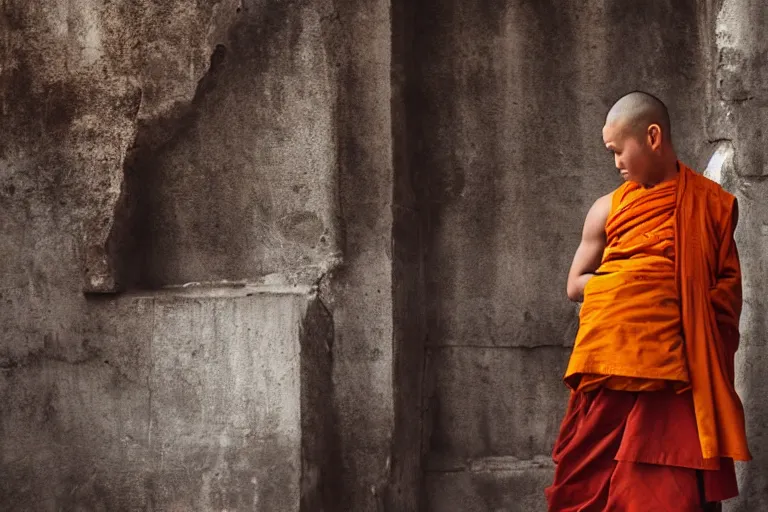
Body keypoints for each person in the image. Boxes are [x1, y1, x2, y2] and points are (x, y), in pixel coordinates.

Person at [545, 91, 751, 511]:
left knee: (667, 493)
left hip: (679, 373)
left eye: (619, 151)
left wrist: (676, 296)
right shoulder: (605, 209)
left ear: (652, 136)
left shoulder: (711, 206)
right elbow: (575, 284)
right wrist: (632, 286)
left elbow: (725, 294)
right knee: (592, 483)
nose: (616, 163)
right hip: (613, 365)